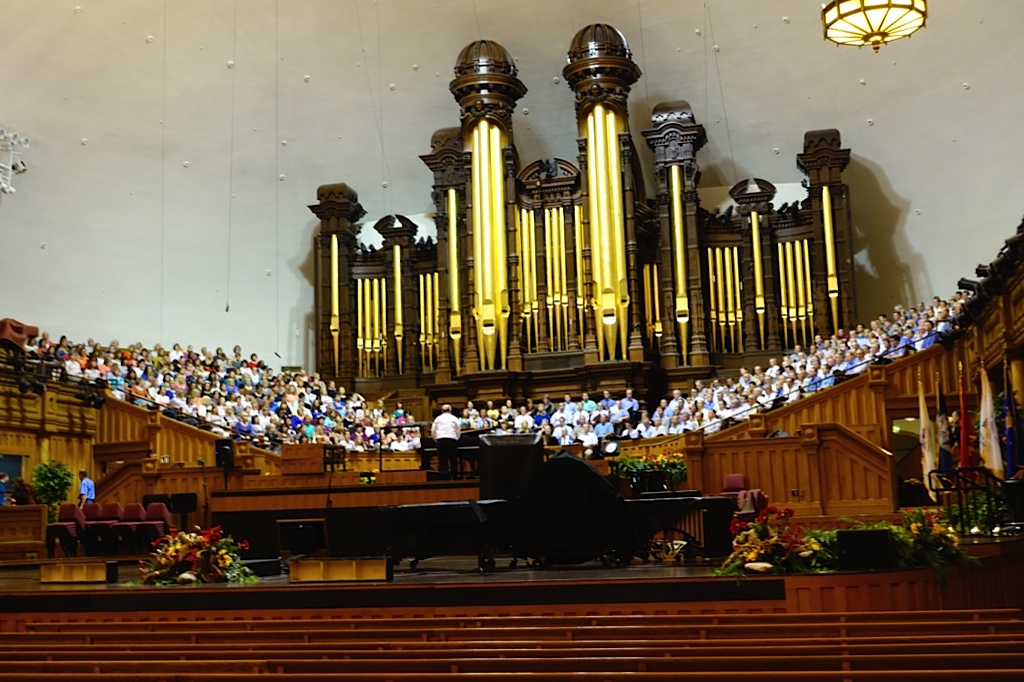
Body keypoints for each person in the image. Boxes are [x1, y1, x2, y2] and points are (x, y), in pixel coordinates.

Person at [430, 404, 461, 478]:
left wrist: (436, 440)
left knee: (442, 460)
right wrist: (456, 438)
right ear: (450, 410)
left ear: (442, 411)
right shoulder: (454, 418)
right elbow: (458, 430)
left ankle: (444, 477)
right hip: (451, 440)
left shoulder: (437, 419)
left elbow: (433, 431)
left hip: (441, 440)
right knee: (453, 460)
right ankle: (454, 477)